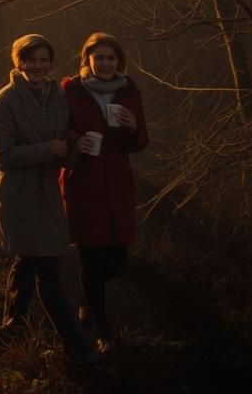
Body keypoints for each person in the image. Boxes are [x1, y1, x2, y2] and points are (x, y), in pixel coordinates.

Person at [0, 33, 103, 365]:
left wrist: (75, 148)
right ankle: (75, 346)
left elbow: (62, 145)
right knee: (47, 269)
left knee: (26, 262)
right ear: (18, 62)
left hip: (46, 192)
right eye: (30, 60)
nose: (37, 66)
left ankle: (11, 327)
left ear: (50, 63)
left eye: (43, 60)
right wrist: (50, 149)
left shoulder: (56, 97)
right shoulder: (5, 100)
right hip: (18, 196)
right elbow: (5, 154)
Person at [60, 31, 149, 353]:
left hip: (117, 183)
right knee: (90, 257)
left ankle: (87, 296)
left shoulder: (130, 92)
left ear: (119, 61)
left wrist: (132, 128)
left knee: (116, 261)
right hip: (82, 180)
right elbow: (58, 129)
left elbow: (140, 143)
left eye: (111, 57)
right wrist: (75, 141)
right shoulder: (70, 90)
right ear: (88, 60)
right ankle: (103, 329)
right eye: (99, 57)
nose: (105, 63)